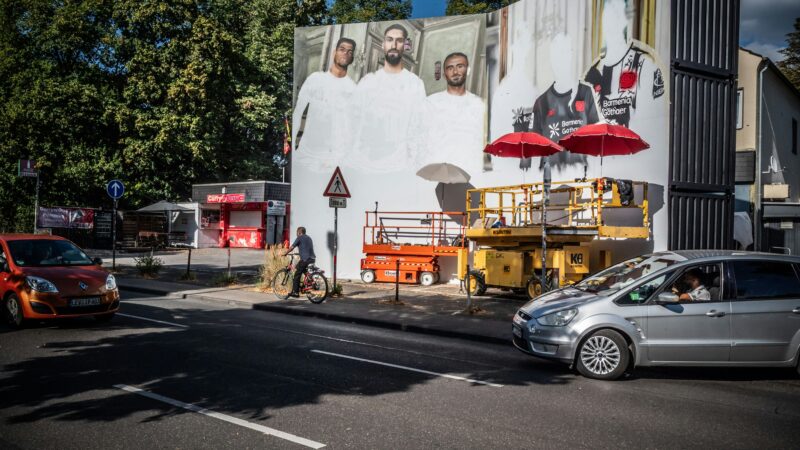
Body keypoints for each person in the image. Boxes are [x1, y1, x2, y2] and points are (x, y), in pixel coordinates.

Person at [349, 24, 426, 172]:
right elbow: (352, 123)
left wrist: (413, 165)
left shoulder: (415, 84)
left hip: (398, 166)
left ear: (405, 45)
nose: (394, 45)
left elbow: (419, 129)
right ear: (383, 44)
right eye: (390, 40)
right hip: (364, 164)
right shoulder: (367, 82)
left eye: (399, 40)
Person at [583, 0, 665, 128]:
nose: (611, 24)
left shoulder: (644, 67)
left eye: (616, 16)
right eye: (607, 17)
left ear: (625, 20)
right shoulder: (591, 75)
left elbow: (652, 124)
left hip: (632, 145)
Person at [292, 37, 358, 172]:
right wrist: (292, 148)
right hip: (307, 154)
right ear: (335, 52)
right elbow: (297, 113)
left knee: (333, 192)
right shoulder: (315, 79)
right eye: (342, 49)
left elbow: (351, 127)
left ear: (352, 58)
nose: (346, 53)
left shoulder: (353, 89)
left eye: (350, 52)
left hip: (334, 159)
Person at [417, 52, 486, 174]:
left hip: (469, 171)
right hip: (436, 170)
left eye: (460, 66)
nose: (455, 72)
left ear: (468, 70)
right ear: (444, 74)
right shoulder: (430, 103)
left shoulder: (479, 105)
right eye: (450, 68)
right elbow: (419, 140)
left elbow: (481, 142)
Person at [284, 226, 316, 297]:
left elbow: (292, 247)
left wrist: (285, 253)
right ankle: (310, 281)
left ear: (299, 232)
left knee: (297, 274)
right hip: (312, 258)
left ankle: (295, 292)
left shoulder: (299, 238)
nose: (296, 234)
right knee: (301, 268)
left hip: (305, 259)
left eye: (297, 233)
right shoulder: (309, 238)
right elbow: (305, 248)